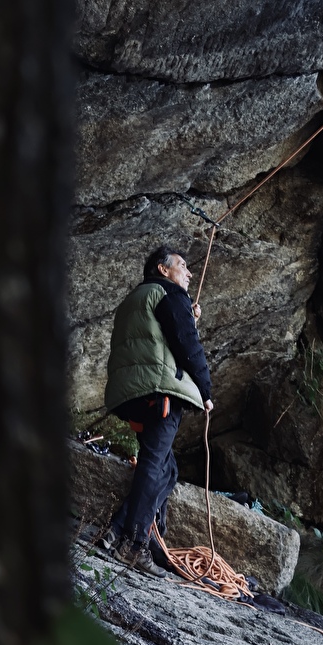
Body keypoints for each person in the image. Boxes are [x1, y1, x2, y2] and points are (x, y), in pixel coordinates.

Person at [100, 245, 213, 577]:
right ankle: (133, 545)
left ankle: (120, 533)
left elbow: (156, 340)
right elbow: (187, 345)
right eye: (182, 265)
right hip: (160, 391)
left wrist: (185, 317)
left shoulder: (136, 299)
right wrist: (206, 390)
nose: (189, 273)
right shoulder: (169, 294)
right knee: (154, 462)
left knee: (167, 470)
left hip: (133, 391)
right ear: (163, 270)